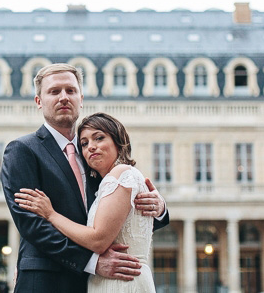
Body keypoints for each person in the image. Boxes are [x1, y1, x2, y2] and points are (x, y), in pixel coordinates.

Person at [1, 63, 168, 293]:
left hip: (97, 283)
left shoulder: (95, 155)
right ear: (38, 101)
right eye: (54, 91)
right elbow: (32, 224)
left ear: (81, 98)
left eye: (70, 90)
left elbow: (120, 219)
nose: (63, 97)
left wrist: (158, 209)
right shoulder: (22, 150)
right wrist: (93, 263)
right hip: (46, 281)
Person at [17, 112, 158, 292]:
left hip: (120, 281)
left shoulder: (121, 174)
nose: (91, 147)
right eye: (84, 143)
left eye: (99, 138)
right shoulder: (108, 181)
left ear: (118, 141)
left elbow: (98, 240)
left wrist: (51, 214)